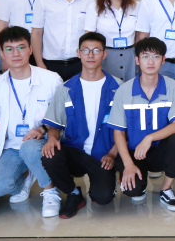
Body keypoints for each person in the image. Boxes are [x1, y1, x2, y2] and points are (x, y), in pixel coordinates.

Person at [0, 26, 64, 217]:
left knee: (29, 149)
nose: (16, 54)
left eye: (21, 47)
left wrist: (43, 128)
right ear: (2, 54)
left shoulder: (51, 79)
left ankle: (50, 191)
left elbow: (63, 116)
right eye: (9, 49)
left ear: (30, 49)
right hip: (13, 148)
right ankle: (28, 175)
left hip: (42, 145)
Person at [40, 32, 122, 219]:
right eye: (86, 50)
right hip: (74, 151)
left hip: (103, 154)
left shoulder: (118, 87)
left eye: (96, 50)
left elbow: (123, 129)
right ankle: (73, 193)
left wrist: (113, 153)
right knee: (50, 156)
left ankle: (105, 183)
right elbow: (55, 125)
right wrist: (51, 139)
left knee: (102, 198)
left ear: (104, 54)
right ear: (78, 53)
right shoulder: (66, 88)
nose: (90, 55)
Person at [107, 37, 175, 211]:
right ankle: (137, 180)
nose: (150, 61)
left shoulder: (174, 87)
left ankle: (166, 189)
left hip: (160, 151)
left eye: (156, 56)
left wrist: (149, 138)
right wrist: (128, 164)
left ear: (163, 60)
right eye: (145, 56)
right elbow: (118, 132)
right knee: (134, 191)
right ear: (137, 60)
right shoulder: (124, 90)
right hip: (134, 152)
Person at [32, 0, 94, 82]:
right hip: (50, 64)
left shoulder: (90, 1)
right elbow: (36, 33)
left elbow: (92, 35)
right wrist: (39, 63)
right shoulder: (44, 1)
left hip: (80, 63)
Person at [85, 0, 140, 82]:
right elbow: (89, 38)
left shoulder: (136, 6)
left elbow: (140, 34)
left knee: (129, 88)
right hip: (105, 55)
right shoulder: (94, 7)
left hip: (130, 55)